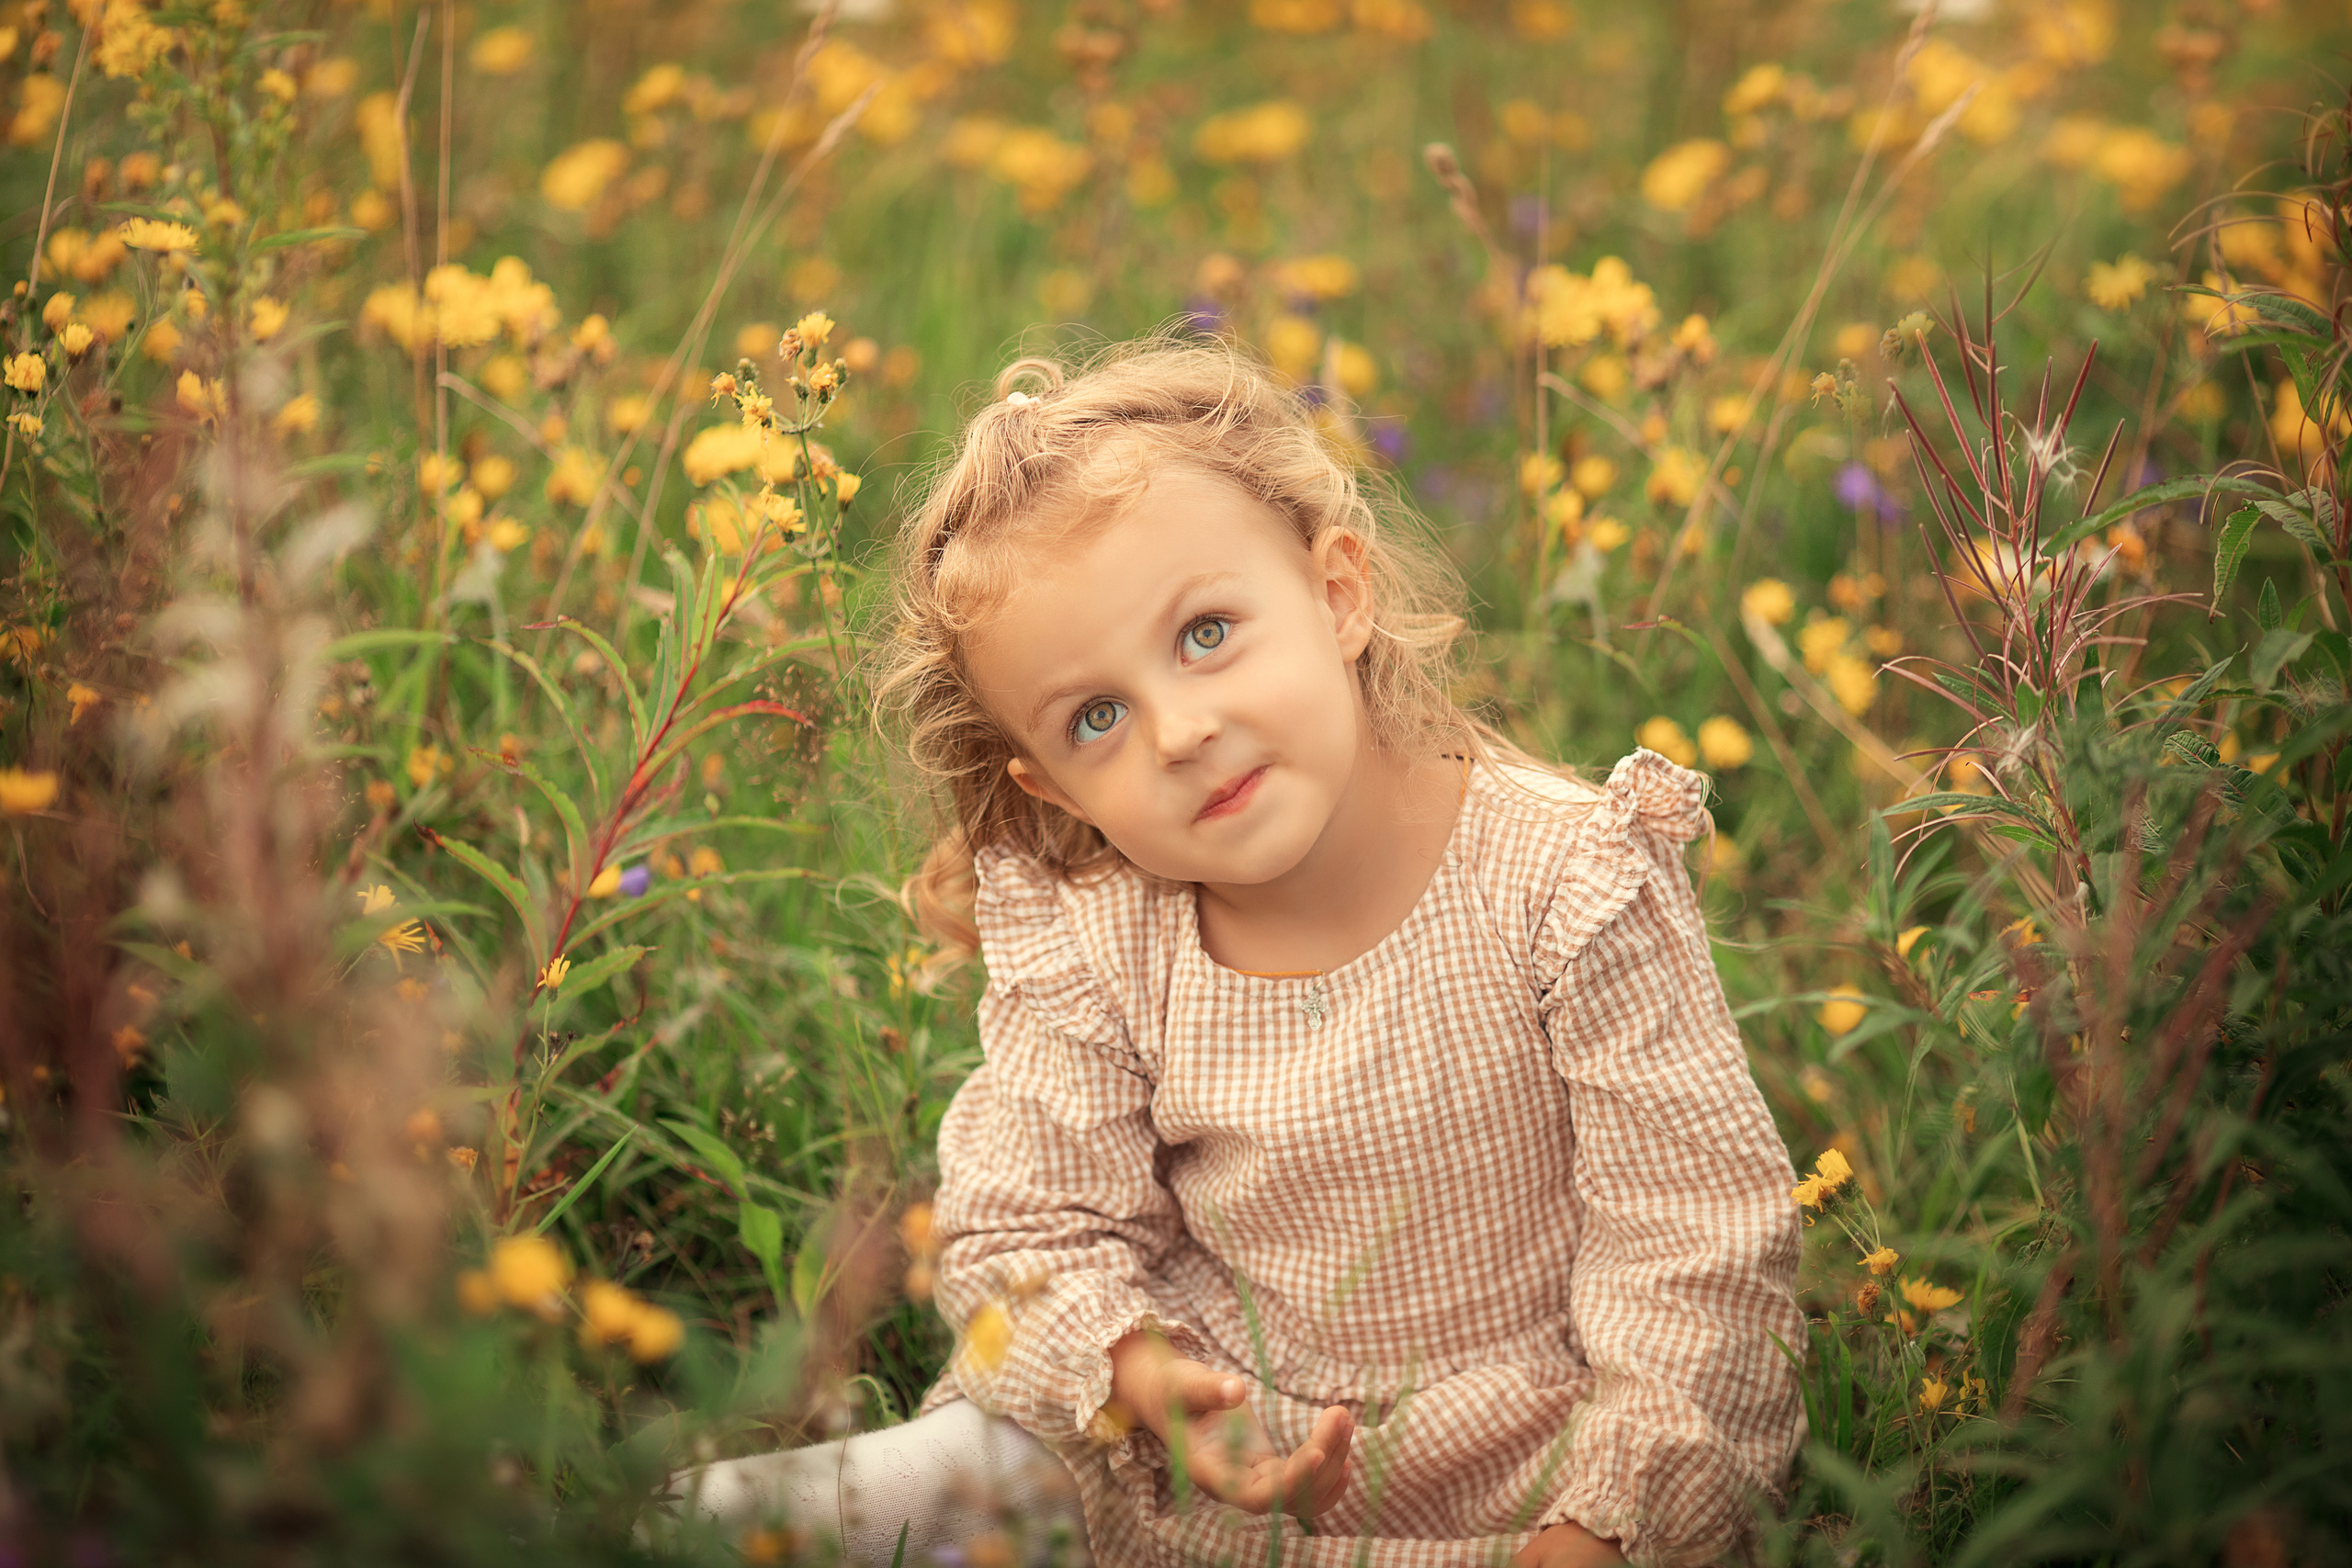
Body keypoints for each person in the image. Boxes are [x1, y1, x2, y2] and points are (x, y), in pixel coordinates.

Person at [677, 334, 1804, 1567]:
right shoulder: (1104, 924)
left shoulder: (1564, 883)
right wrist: (1139, 1375)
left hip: (1520, 1486)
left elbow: (1698, 1254)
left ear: (1338, 594)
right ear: (1050, 783)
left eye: (1206, 632)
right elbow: (1023, 1227)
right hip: (1168, 1470)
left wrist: (1598, 1530)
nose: (1178, 730)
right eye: (1095, 717)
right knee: (842, 1508)